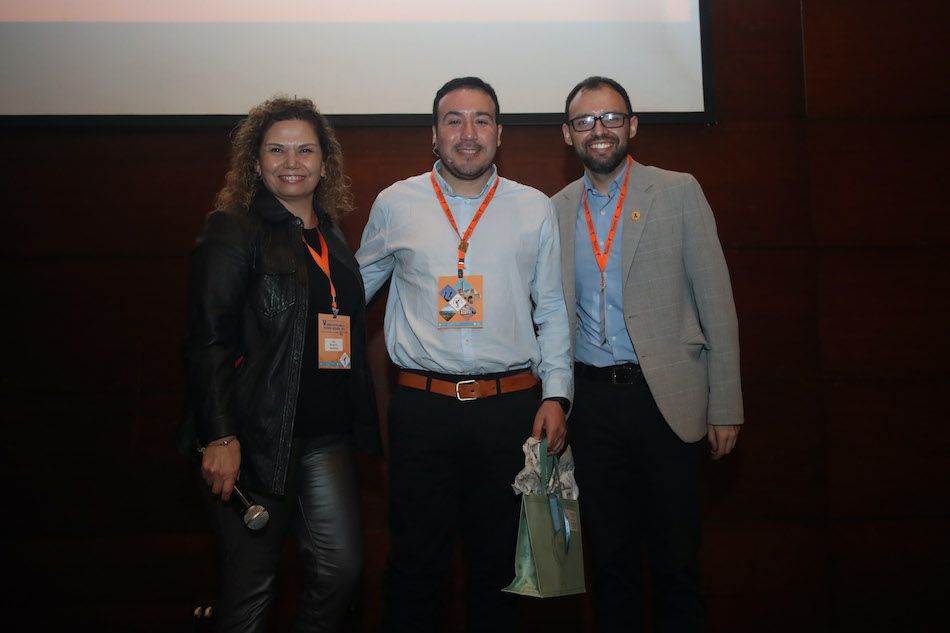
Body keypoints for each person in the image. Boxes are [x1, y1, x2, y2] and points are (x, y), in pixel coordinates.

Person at [356, 77, 573, 633]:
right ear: (434, 134)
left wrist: (557, 395)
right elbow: (351, 293)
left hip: (511, 411)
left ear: (499, 134)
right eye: (454, 120)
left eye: (481, 120)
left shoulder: (533, 207)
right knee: (416, 564)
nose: (468, 133)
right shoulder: (396, 203)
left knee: (497, 567)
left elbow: (551, 308)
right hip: (422, 410)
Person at [179, 96, 381, 633]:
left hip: (324, 438)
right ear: (256, 162)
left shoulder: (331, 235)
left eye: (305, 150)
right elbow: (207, 340)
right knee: (251, 589)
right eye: (276, 150)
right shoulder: (233, 230)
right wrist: (219, 435)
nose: (292, 162)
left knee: (340, 571)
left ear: (325, 164)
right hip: (254, 439)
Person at [553, 76, 743, 632]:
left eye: (611, 117)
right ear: (568, 134)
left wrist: (726, 405)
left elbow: (717, 303)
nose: (599, 129)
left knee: (675, 563)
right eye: (585, 121)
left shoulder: (678, 192)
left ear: (632, 126)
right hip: (591, 408)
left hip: (668, 404)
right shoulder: (555, 209)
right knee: (610, 564)